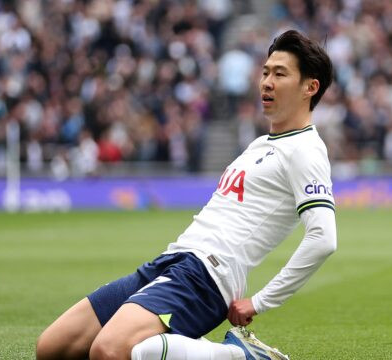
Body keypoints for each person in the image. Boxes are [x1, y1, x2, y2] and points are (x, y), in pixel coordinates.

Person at [36, 29, 337, 360]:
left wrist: (260, 301)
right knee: (53, 348)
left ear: (310, 87)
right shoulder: (260, 144)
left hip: (208, 277)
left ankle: (237, 356)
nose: (266, 81)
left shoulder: (306, 150)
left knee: (108, 351)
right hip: (173, 260)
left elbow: (323, 237)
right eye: (265, 72)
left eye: (280, 74)